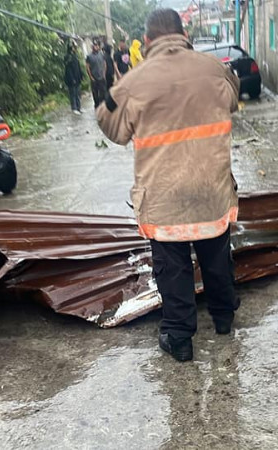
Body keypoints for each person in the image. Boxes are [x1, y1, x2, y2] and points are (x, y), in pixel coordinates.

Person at [96, 9, 240, 362]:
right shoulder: (215, 69)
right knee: (217, 259)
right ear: (184, 32)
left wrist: (110, 90)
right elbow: (233, 100)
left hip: (164, 196)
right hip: (211, 189)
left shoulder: (134, 82)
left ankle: (179, 339)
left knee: (173, 269)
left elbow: (110, 126)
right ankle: (223, 320)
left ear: (146, 41)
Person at [86, 41, 108, 108]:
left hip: (101, 77)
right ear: (92, 47)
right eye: (94, 45)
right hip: (94, 78)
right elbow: (87, 67)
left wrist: (104, 74)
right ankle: (97, 106)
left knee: (103, 94)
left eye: (97, 45)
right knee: (95, 94)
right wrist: (91, 77)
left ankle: (103, 107)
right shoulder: (89, 56)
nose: (96, 47)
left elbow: (105, 64)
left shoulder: (102, 55)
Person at [64, 42, 83, 114]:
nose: (75, 49)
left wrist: (81, 75)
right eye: (74, 47)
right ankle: (74, 108)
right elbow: (68, 69)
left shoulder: (75, 56)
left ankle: (78, 107)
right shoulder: (67, 57)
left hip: (77, 78)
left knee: (78, 93)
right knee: (73, 93)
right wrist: (72, 79)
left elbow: (78, 67)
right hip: (71, 79)